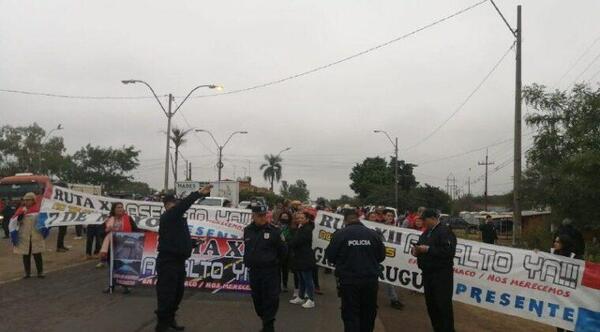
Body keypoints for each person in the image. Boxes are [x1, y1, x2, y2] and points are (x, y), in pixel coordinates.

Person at [155, 185, 212, 332]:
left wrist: (193, 243)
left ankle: (170, 319)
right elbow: (183, 206)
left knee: (177, 294)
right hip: (168, 262)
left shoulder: (178, 220)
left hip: (179, 262)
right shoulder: (169, 216)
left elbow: (178, 239)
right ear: (168, 206)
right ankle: (162, 325)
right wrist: (198, 193)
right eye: (175, 204)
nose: (179, 206)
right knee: (167, 294)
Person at [325, 208, 386, 332]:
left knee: (350, 314)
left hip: (349, 281)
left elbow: (330, 256)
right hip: (370, 280)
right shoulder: (373, 234)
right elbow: (381, 256)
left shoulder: (340, 234)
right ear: (358, 217)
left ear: (345, 219)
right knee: (368, 312)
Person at [243, 202, 287, 332]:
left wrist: (273, 262)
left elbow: (283, 251)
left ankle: (269, 325)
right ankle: (265, 320)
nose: (263, 218)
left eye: (264, 215)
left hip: (270, 272)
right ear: (253, 216)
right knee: (257, 300)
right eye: (259, 215)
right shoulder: (248, 231)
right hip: (254, 272)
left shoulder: (275, 231)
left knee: (271, 299)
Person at [412, 208, 457, 332]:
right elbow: (419, 245)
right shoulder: (426, 232)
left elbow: (448, 252)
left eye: (425, 220)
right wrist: (415, 251)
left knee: (442, 305)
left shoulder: (445, 231)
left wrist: (428, 249)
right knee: (431, 305)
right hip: (427, 274)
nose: (423, 223)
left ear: (433, 218)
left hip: (441, 275)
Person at [100, 202, 139, 293]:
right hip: (111, 247)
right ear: (114, 209)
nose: (120, 209)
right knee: (112, 267)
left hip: (124, 247)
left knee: (123, 266)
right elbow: (101, 233)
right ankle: (111, 286)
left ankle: (126, 286)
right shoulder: (109, 219)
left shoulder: (128, 219)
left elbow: (135, 230)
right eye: (118, 207)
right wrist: (107, 230)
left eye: (121, 207)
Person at [10, 193, 47, 278]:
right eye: (25, 200)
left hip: (36, 235)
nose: (26, 202)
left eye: (28, 200)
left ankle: (40, 272)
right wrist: (19, 218)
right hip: (24, 236)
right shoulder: (21, 210)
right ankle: (27, 273)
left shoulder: (38, 210)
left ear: (33, 200)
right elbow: (14, 222)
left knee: (37, 255)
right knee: (25, 255)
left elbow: (43, 222)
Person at [288, 211, 317, 309]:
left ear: (307, 219)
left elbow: (296, 241)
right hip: (299, 257)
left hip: (305, 257)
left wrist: (290, 242)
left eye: (302, 218)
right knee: (301, 278)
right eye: (298, 218)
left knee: (307, 279)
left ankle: (311, 299)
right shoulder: (301, 228)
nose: (299, 220)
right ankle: (300, 296)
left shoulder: (307, 229)